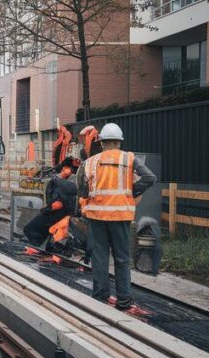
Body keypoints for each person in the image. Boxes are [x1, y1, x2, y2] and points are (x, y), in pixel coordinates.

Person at [77, 123, 155, 315]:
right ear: (119, 142)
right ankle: (124, 301)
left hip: (96, 216)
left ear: (102, 143)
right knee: (122, 258)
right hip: (120, 216)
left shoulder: (91, 162)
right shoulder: (130, 159)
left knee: (100, 257)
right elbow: (149, 178)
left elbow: (81, 187)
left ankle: (101, 297)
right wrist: (131, 192)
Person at [23, 163, 78, 246]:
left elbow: (58, 204)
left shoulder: (66, 184)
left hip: (60, 213)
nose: (64, 171)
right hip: (61, 212)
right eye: (63, 169)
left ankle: (36, 244)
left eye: (65, 169)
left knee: (31, 228)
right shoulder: (59, 183)